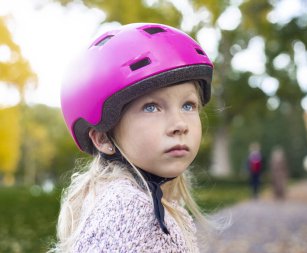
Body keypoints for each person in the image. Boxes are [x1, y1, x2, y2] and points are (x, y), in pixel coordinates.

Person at [52, 23, 213, 252]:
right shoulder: (128, 209)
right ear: (103, 138)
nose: (179, 124)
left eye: (188, 105)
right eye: (151, 108)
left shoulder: (140, 201)